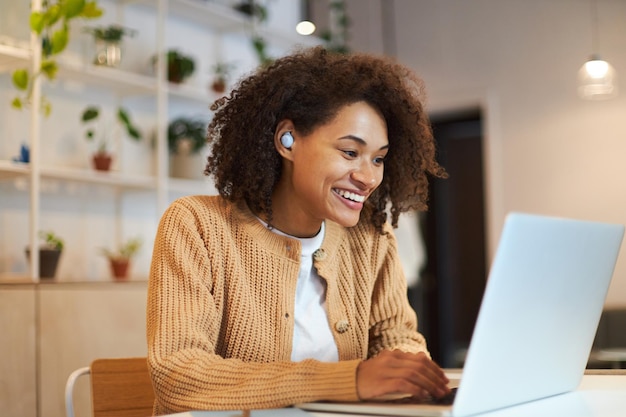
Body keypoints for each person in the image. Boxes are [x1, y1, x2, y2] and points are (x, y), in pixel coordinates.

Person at [146, 46, 449, 415]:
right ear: (287, 139)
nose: (368, 177)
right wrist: (346, 380)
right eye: (350, 152)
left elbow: (397, 340)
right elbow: (178, 376)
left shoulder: (371, 238)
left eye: (379, 159)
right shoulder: (197, 226)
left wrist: (409, 373)